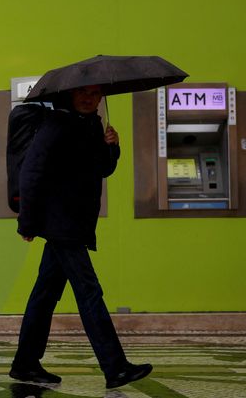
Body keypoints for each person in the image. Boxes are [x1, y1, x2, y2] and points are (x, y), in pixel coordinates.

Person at [9, 85, 152, 390]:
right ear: (70, 95)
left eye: (96, 93)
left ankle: (25, 364)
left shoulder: (90, 124)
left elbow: (102, 168)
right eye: (82, 93)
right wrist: (27, 222)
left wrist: (112, 147)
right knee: (89, 292)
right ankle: (116, 367)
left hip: (74, 222)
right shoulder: (56, 124)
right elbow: (31, 172)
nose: (89, 98)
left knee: (44, 295)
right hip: (62, 224)